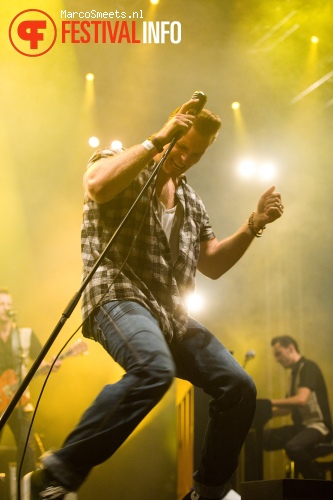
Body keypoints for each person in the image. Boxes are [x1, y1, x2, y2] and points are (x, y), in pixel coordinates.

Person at [22, 96, 283, 500]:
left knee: (239, 387)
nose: (184, 158)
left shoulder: (191, 201)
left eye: (195, 155)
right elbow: (97, 186)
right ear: (172, 130)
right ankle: (58, 472)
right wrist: (155, 141)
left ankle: (209, 491)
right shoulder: (121, 159)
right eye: (180, 146)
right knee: (153, 369)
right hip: (117, 295)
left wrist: (253, 225)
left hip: (170, 314)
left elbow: (210, 264)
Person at [0, 288, 58, 477]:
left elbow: (40, 361)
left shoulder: (24, 335)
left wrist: (50, 365)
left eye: (8, 304)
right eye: (1, 304)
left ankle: (27, 492)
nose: (6, 308)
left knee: (27, 450)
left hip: (20, 401)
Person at [263, 336, 332, 479]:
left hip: (319, 427)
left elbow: (301, 400)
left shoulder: (309, 367)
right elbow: (287, 409)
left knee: (293, 447)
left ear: (290, 348)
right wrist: (262, 412)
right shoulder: (292, 376)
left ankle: (319, 486)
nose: (276, 359)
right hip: (302, 428)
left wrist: (269, 402)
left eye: (278, 353)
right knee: (262, 438)